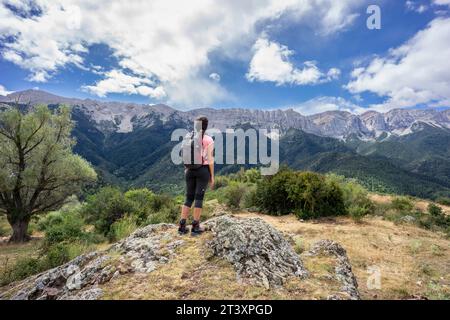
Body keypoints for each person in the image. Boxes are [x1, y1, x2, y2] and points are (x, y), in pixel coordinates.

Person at [179, 117, 214, 236]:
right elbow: (210, 160)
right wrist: (212, 176)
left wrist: (187, 169)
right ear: (206, 126)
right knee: (199, 198)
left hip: (189, 170)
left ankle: (182, 226)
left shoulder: (188, 136)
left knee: (188, 198)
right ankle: (195, 226)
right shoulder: (208, 139)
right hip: (202, 170)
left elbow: (185, 154)